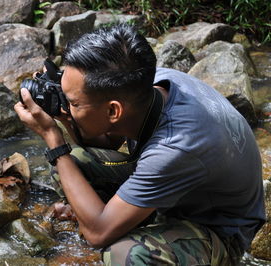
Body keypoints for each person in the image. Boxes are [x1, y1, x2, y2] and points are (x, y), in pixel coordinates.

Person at [14, 23, 265, 265]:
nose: (68, 105)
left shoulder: (175, 146)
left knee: (126, 254)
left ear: (114, 110)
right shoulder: (148, 84)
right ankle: (118, 216)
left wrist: (53, 138)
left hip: (220, 229)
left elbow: (97, 234)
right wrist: (67, 117)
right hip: (178, 193)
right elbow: (108, 137)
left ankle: (124, 223)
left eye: (74, 102)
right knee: (75, 161)